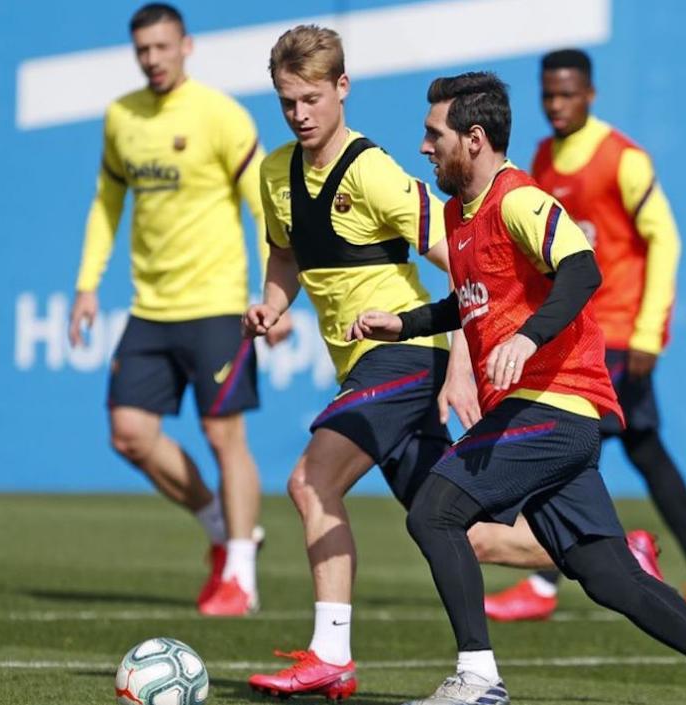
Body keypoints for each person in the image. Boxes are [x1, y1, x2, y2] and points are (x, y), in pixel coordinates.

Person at [347, 71, 686, 705]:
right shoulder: (457, 213)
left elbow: (582, 270)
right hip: (543, 419)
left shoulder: (519, 199)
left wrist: (528, 339)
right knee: (609, 577)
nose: (422, 147)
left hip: (552, 406)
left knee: (434, 512)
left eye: (432, 134)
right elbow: (468, 304)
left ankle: (478, 677)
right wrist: (405, 323)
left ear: (473, 138)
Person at [241, 24, 480, 700]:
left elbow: (462, 260)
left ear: (342, 88)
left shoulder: (372, 170)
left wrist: (461, 359)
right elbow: (286, 254)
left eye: (312, 98)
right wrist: (272, 304)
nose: (300, 114)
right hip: (366, 371)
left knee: (311, 481)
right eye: (287, 102)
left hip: (405, 355)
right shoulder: (276, 172)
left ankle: (332, 654)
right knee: (465, 527)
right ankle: (597, 553)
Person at [484, 48, 686, 622]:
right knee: (643, 449)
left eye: (567, 94)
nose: (556, 105)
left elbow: (665, 241)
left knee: (555, 441)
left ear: (590, 95)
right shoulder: (545, 157)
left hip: (621, 331)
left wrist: (651, 332)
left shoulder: (623, 159)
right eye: (548, 94)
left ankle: (547, 581)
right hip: (579, 332)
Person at [67, 3, 286, 618]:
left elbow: (263, 206)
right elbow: (107, 205)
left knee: (224, 435)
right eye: (144, 50)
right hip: (151, 307)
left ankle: (240, 575)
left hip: (217, 304)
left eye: (164, 47)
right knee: (129, 432)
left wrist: (277, 293)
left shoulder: (220, 115)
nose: (154, 59)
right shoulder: (122, 118)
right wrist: (87, 287)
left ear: (186, 46)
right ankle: (223, 527)